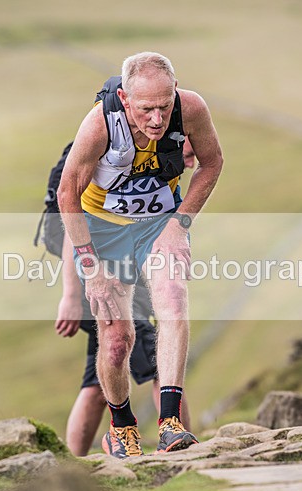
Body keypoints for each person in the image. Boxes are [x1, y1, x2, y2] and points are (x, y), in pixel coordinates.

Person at [57, 52, 223, 458]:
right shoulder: (100, 124)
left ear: (175, 92)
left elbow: (212, 162)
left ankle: (170, 424)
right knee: (117, 339)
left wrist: (179, 224)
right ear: (126, 100)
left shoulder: (191, 108)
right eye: (147, 109)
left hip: (157, 224)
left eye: (165, 106)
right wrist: (90, 270)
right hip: (102, 230)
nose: (157, 119)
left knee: (173, 301)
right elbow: (66, 194)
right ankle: (122, 428)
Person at [55, 141, 197, 457]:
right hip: (98, 267)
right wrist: (71, 295)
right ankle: (174, 443)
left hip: (127, 263)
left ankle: (76, 462)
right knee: (144, 356)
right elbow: (73, 221)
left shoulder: (159, 151)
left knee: (99, 377)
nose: (189, 164)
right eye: (188, 155)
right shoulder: (105, 152)